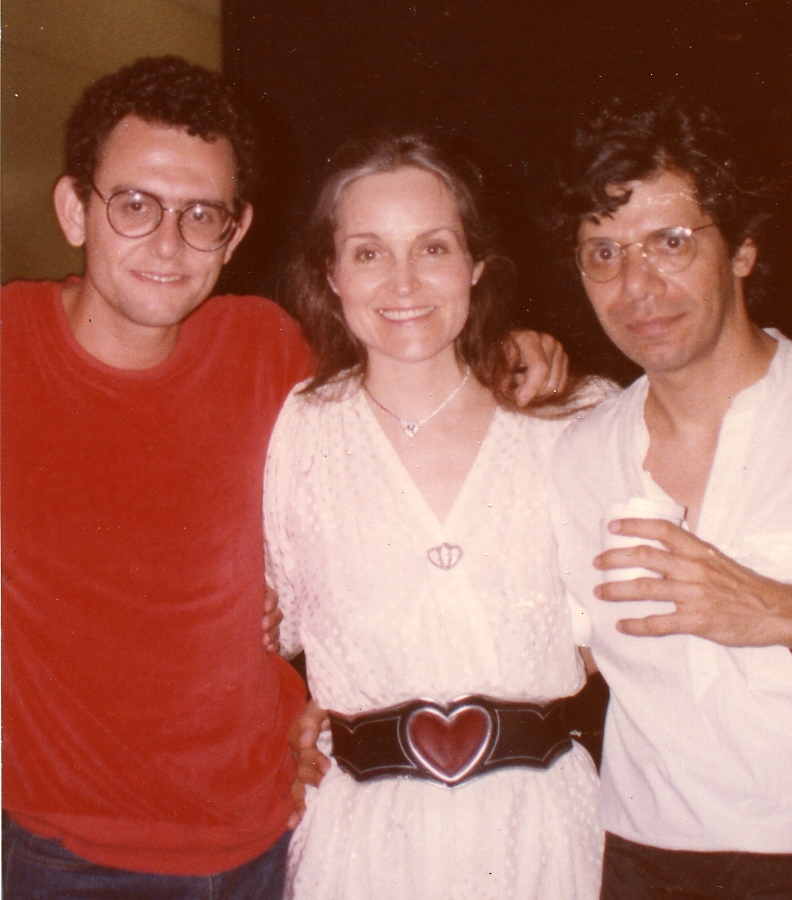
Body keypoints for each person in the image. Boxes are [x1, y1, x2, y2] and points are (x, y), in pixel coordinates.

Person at [1, 56, 563, 899]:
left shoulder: (269, 350)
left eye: (201, 214)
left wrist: (511, 345)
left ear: (236, 232)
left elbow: (405, 355)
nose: (168, 241)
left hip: (275, 833)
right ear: (74, 209)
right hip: (71, 858)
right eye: (134, 205)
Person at [550, 97, 792, 898]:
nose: (637, 285)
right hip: (647, 860)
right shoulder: (574, 454)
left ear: (742, 248)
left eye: (670, 243)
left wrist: (785, 612)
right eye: (602, 254)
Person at [264, 131, 616, 900]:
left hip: (543, 838)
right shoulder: (297, 428)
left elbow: (632, 628)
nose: (402, 283)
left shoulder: (575, 416)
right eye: (367, 252)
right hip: (361, 847)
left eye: (432, 248)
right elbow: (270, 626)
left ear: (475, 264)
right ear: (330, 273)